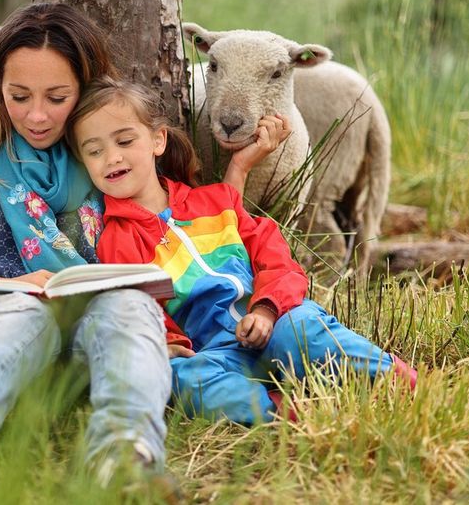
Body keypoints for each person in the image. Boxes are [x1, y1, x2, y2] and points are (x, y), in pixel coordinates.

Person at [0, 3, 175, 488]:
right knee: (20, 309)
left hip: (97, 339)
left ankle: (126, 460)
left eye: (57, 96)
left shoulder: (109, 157)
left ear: (86, 87)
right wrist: (10, 286)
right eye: (19, 96)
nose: (38, 115)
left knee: (130, 305)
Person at [66, 77, 418, 425]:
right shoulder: (114, 239)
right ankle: (281, 411)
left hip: (275, 323)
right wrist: (167, 343)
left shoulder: (217, 201)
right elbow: (139, 307)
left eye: (124, 141)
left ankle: (393, 378)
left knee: (303, 328)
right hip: (215, 351)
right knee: (181, 378)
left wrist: (265, 309)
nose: (111, 158)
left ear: (158, 140)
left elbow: (276, 258)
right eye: (94, 151)